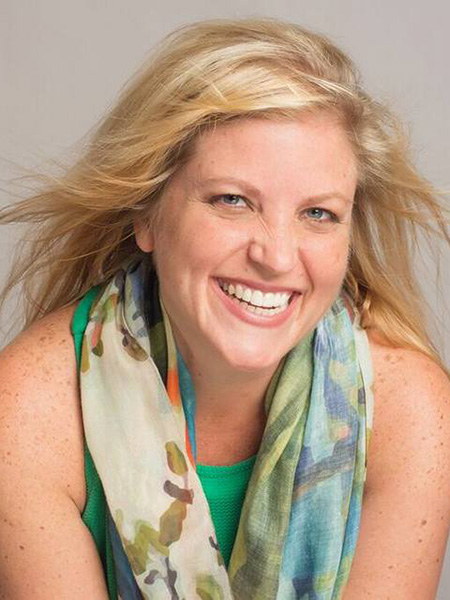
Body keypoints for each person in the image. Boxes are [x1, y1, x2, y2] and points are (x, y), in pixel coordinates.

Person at [1, 17, 450, 600]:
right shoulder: (27, 412)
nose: (277, 257)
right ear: (146, 215)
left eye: (318, 213)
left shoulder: (410, 408)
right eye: (232, 200)